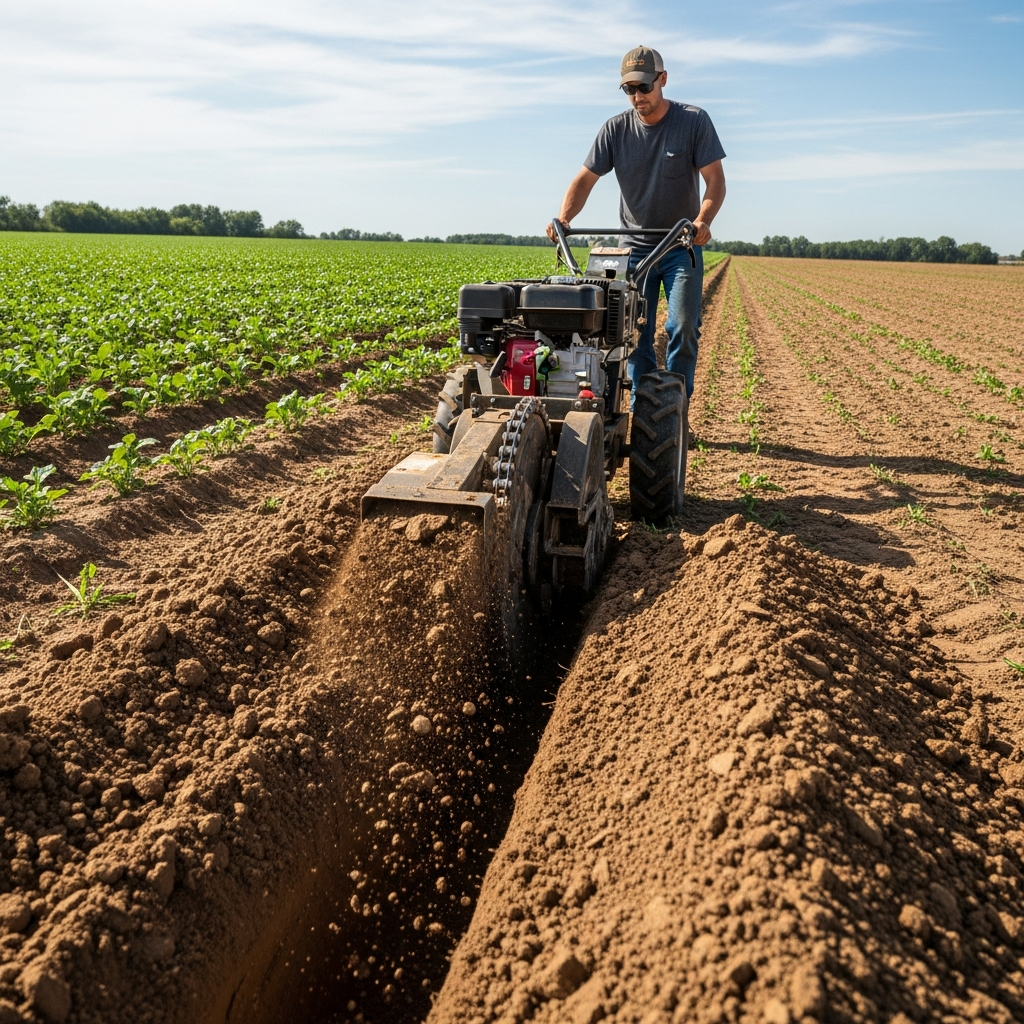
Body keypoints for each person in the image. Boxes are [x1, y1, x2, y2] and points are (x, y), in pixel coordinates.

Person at [546, 45, 726, 424]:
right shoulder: (615, 129)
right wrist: (563, 219)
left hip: (679, 245)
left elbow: (715, 181)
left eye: (643, 87)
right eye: (629, 90)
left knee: (682, 328)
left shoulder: (693, 121)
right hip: (632, 252)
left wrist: (702, 220)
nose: (637, 97)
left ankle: (674, 414)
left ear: (662, 79)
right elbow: (584, 180)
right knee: (629, 335)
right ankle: (646, 415)